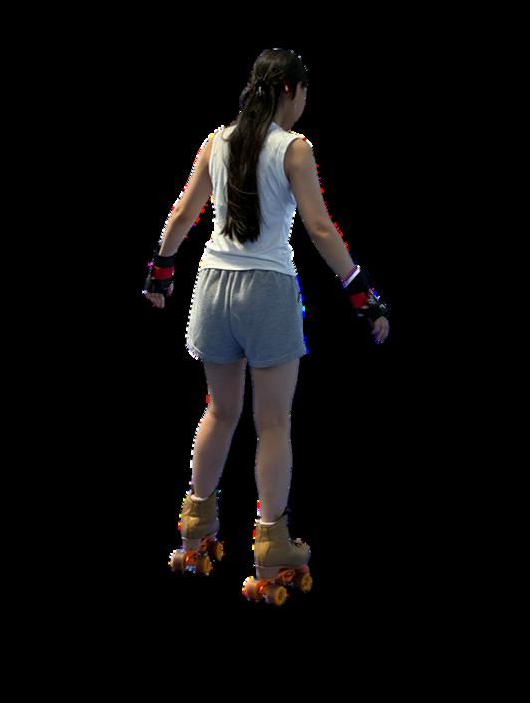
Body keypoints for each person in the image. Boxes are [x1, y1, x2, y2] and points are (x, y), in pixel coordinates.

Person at [143, 48, 389, 603]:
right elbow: (321, 230)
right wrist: (364, 297)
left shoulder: (215, 141)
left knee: (219, 411)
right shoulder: (294, 148)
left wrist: (160, 273)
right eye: (304, 94)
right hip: (267, 290)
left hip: (212, 286)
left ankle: (195, 526)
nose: (305, 104)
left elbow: (182, 214)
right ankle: (273, 543)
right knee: (273, 422)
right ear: (289, 90)